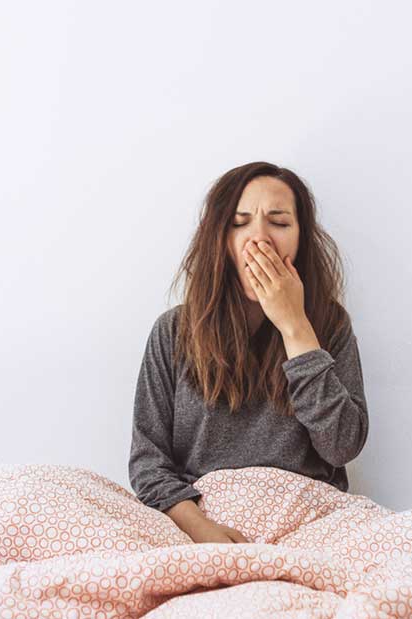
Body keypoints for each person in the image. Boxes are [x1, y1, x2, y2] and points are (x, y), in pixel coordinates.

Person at [128, 161, 369, 544]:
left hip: (309, 523)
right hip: (203, 521)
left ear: (302, 239)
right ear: (220, 240)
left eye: (279, 222)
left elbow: (341, 446)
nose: (259, 239)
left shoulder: (329, 326)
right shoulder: (173, 332)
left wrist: (295, 327)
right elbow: (148, 463)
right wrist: (204, 531)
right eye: (239, 223)